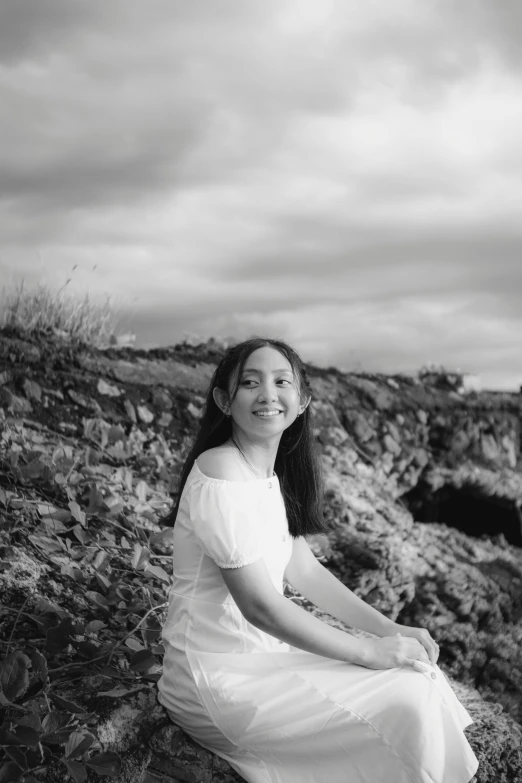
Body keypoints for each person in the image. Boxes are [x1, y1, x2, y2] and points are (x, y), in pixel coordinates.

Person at [157, 337, 479, 783]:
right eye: (250, 383)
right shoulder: (222, 471)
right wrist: (368, 651)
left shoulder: (268, 475)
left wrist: (392, 629)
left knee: (418, 677)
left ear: (303, 400)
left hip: (264, 663)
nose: (268, 394)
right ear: (223, 401)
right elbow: (260, 606)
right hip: (218, 678)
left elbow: (304, 570)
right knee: (407, 703)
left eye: (281, 382)